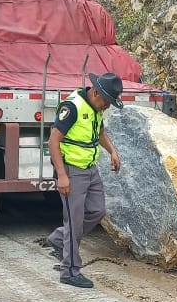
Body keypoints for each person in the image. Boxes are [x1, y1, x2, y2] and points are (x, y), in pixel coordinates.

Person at [45, 72, 123, 288]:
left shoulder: (96, 107)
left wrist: (113, 151)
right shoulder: (72, 107)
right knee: (75, 221)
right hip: (72, 170)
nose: (107, 106)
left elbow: (100, 132)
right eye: (106, 101)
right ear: (96, 92)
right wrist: (62, 175)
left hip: (90, 168)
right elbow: (53, 141)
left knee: (97, 211)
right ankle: (69, 271)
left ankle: (59, 240)